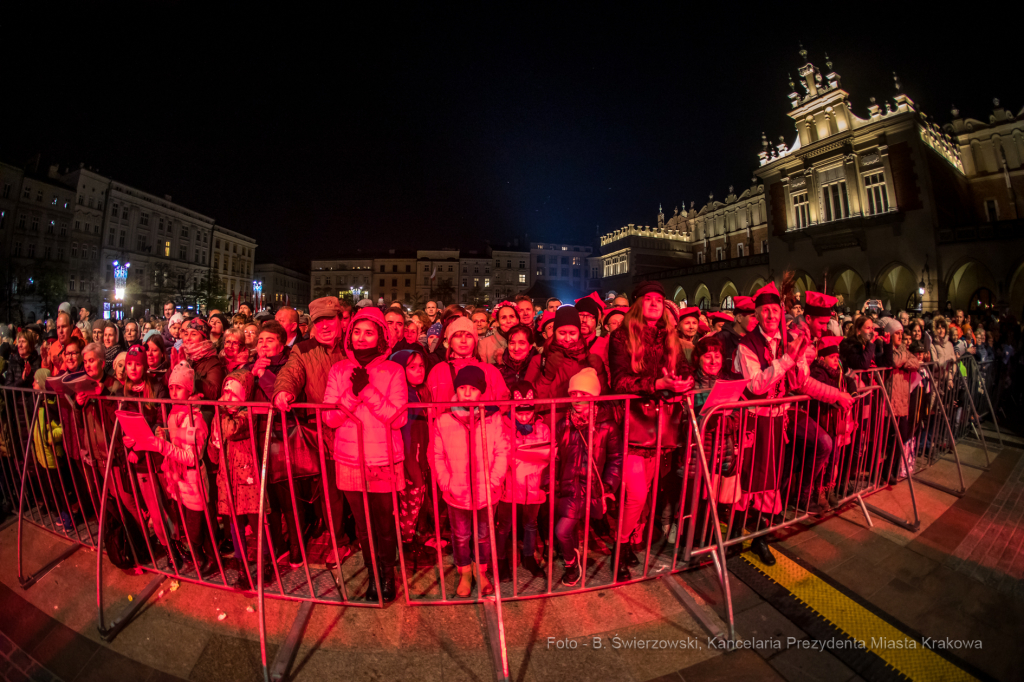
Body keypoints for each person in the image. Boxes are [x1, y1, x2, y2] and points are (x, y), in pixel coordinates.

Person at [323, 306, 407, 602]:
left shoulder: (394, 370)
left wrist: (368, 390)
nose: (361, 337)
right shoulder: (338, 370)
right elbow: (330, 418)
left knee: (384, 524)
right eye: (356, 332)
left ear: (380, 336)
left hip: (383, 459)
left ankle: (388, 575)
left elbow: (398, 419)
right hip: (349, 459)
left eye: (368, 332)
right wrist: (352, 393)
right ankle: (373, 576)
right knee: (362, 525)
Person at [608, 280, 692, 573]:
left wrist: (683, 382)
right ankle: (619, 548)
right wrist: (656, 384)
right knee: (636, 495)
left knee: (646, 490)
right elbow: (618, 380)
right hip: (633, 425)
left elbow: (683, 369)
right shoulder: (621, 337)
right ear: (637, 304)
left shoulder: (670, 336)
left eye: (659, 298)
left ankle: (629, 543)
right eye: (648, 299)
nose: (655, 303)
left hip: (663, 426)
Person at [733, 282, 817, 566]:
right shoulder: (747, 345)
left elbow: (800, 379)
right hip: (753, 420)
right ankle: (735, 533)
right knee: (745, 478)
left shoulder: (789, 340)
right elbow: (756, 385)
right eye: (764, 311)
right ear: (755, 314)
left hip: (779, 419)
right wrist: (787, 359)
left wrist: (800, 359)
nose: (770, 316)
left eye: (774, 310)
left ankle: (760, 538)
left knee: (771, 479)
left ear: (781, 312)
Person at [272, 296, 349, 568]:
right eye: (319, 321)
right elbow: (290, 373)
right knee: (332, 493)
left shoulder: (354, 346)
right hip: (326, 433)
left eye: (330, 318)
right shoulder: (303, 350)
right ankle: (339, 541)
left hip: (359, 430)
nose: (325, 325)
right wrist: (283, 390)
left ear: (341, 319)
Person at [430, 365, 509, 598]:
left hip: (486, 490)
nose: (466, 393)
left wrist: (493, 481)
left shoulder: (492, 418)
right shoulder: (444, 419)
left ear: (481, 392)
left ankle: (481, 570)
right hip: (457, 492)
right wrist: (446, 483)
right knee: (461, 536)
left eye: (473, 389)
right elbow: (437, 455)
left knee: (484, 535)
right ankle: (464, 571)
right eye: (462, 388)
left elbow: (502, 451)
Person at [553, 368, 622, 586]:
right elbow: (555, 456)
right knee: (563, 530)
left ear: (594, 396)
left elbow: (616, 457)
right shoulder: (563, 424)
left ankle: (572, 562)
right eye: (574, 394)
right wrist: (550, 480)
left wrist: (609, 485)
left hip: (593, 488)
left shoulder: (607, 426)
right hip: (570, 487)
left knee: (572, 529)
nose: (577, 399)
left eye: (584, 394)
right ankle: (571, 563)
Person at [211, 369, 267, 590]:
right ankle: (242, 567)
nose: (228, 398)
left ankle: (266, 563)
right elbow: (214, 451)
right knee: (235, 526)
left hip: (247, 479)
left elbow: (233, 430)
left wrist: (220, 411)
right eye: (226, 393)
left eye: (234, 394)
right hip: (227, 478)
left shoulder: (247, 414)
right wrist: (214, 443)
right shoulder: (223, 415)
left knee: (258, 523)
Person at [493, 380, 551, 579]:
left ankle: (528, 557)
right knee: (505, 525)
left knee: (530, 523)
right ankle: (501, 561)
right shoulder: (503, 427)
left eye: (528, 412)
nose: (525, 417)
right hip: (509, 485)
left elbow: (548, 456)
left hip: (533, 486)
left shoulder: (542, 429)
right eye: (519, 412)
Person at [389, 348, 432, 562]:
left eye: (421, 366)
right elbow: (407, 438)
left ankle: (409, 540)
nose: (419, 371)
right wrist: (413, 467)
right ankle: (406, 544)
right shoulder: (405, 395)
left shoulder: (416, 392)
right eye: (412, 367)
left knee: (413, 503)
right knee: (409, 503)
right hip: (409, 462)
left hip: (417, 458)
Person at [526, 306, 606, 402]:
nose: (567, 339)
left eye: (572, 333)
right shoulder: (539, 361)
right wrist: (546, 377)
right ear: (555, 333)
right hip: (549, 416)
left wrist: (601, 373)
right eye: (562, 333)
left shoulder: (586, 360)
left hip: (579, 416)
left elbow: (602, 398)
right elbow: (527, 401)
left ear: (579, 333)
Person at [425, 317, 509, 404]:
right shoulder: (437, 371)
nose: (463, 340)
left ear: (475, 341)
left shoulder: (491, 372)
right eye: (457, 336)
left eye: (469, 336)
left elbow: (503, 407)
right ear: (450, 341)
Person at [180, 318, 225, 402]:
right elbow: (166, 385)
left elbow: (214, 393)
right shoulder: (183, 357)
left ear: (204, 338)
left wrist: (188, 371)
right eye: (186, 334)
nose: (188, 338)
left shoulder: (213, 362)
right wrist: (173, 369)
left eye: (193, 334)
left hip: (202, 412)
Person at [717, 296, 755, 373]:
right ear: (739, 318)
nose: (757, 321)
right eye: (753, 317)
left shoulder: (755, 340)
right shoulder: (721, 338)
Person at [496, 324, 537, 391]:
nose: (516, 348)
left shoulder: (539, 368)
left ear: (530, 346)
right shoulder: (498, 369)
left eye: (522, 343)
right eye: (512, 343)